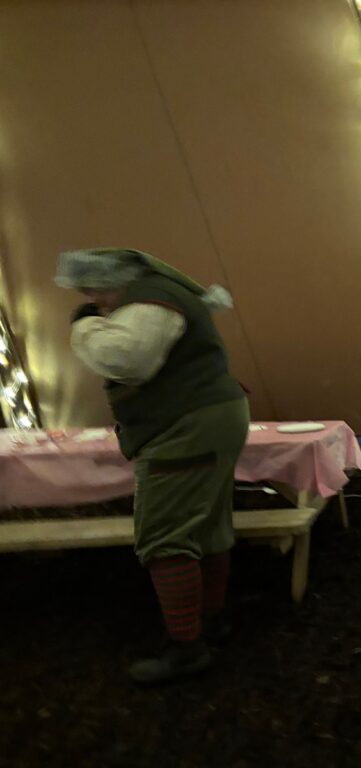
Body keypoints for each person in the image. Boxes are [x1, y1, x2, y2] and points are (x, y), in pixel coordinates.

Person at [55, 248, 250, 684]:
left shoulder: (149, 299)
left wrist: (85, 323)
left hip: (184, 426)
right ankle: (211, 621)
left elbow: (124, 359)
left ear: (112, 282)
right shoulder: (160, 294)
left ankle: (187, 647)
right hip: (210, 415)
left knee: (164, 534)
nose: (95, 302)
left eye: (93, 293)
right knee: (206, 525)